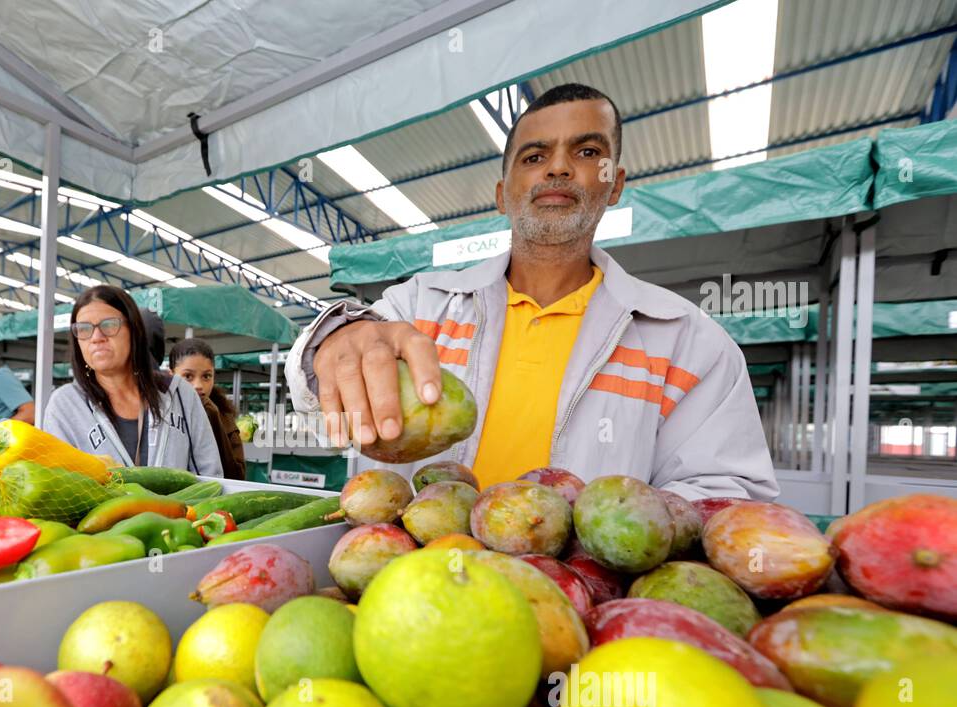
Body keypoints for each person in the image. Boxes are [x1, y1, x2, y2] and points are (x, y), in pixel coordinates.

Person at [287, 83, 778, 501]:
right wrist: (333, 340)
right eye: (535, 156)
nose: (558, 168)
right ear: (502, 193)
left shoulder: (688, 341)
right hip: (416, 594)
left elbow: (725, 495)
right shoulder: (419, 305)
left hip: (573, 606)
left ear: (615, 184)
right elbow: (312, 382)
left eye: (587, 152)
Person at [44, 285, 222, 474]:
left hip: (184, 505)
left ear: (134, 330)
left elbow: (211, 474)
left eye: (109, 324)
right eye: (84, 328)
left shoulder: (179, 394)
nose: (96, 337)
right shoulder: (65, 406)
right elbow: (58, 482)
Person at [170, 338, 246, 480]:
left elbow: (237, 477)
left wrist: (214, 420)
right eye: (188, 376)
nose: (198, 385)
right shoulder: (159, 414)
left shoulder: (224, 418)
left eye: (206, 376)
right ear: (171, 376)